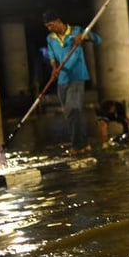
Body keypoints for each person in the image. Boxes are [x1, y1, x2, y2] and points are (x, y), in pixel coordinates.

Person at [43, 10, 102, 156]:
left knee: (73, 108)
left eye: (50, 25)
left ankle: (76, 146)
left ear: (58, 21)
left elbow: (98, 40)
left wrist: (84, 36)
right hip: (62, 79)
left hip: (77, 76)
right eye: (47, 26)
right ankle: (84, 145)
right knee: (71, 114)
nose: (49, 28)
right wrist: (54, 68)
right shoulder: (50, 38)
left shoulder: (76, 31)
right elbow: (52, 55)